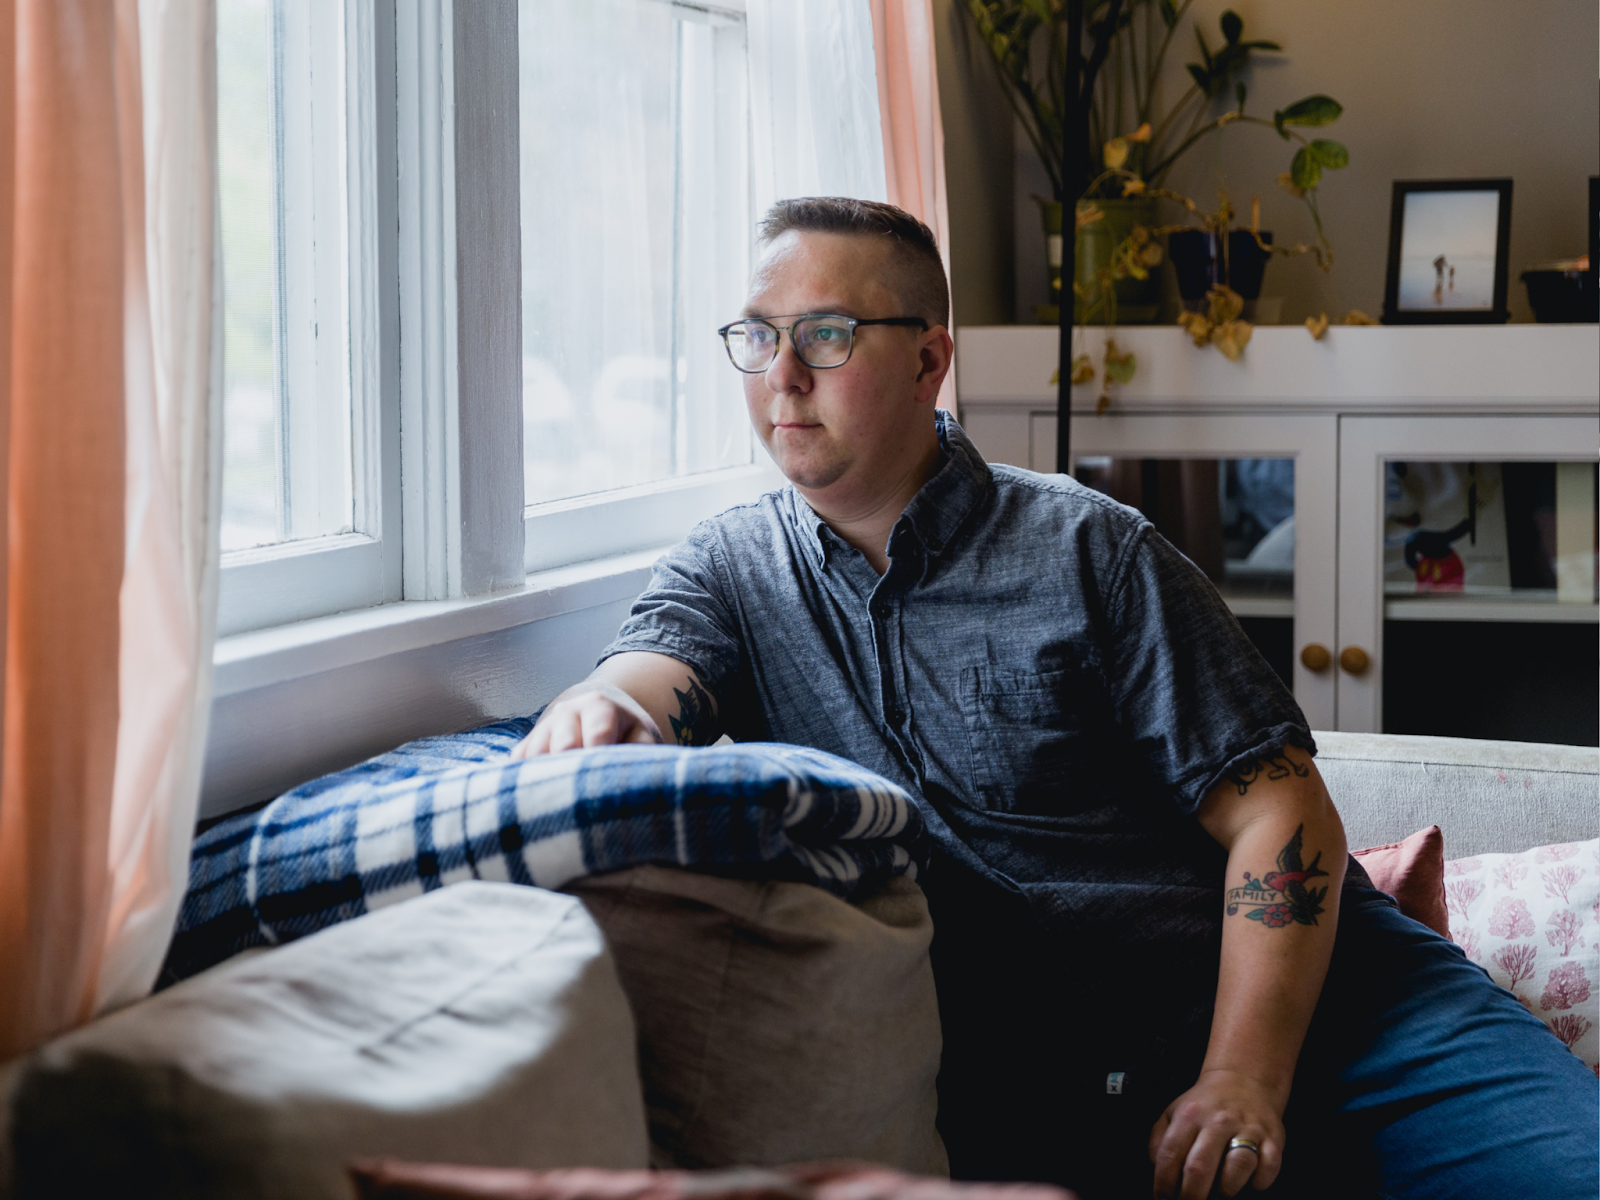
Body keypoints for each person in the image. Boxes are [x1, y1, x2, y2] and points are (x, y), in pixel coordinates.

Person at [513, 198, 1597, 1199]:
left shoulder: (1085, 547)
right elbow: (649, 682)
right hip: (1078, 1088)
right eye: (756, 336)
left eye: (827, 335)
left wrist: (1242, 1079)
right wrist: (604, 709)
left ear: (931, 357)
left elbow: (1282, 813)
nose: (782, 375)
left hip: (1336, 1012)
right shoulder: (732, 570)